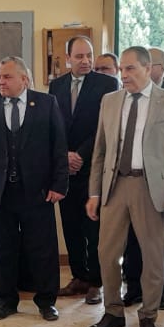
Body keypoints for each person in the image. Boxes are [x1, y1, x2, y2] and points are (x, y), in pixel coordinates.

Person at [86, 46, 164, 327]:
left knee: (153, 255)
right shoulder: (110, 101)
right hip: (115, 185)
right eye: (122, 69)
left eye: (130, 68)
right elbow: (100, 151)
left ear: (148, 68)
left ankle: (148, 316)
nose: (124, 74)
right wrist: (94, 192)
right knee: (107, 253)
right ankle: (113, 312)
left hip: (151, 188)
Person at [0, 56, 68, 322]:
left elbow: (58, 147)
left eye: (7, 77)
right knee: (2, 250)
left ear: (24, 79)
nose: (1, 82)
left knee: (42, 249)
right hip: (0, 192)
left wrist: (59, 184)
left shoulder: (46, 103)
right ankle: (6, 301)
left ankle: (46, 302)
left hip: (37, 191)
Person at [49, 36, 119, 304]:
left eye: (89, 55)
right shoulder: (56, 86)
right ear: (68, 58)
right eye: (79, 56)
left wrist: (80, 154)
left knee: (94, 227)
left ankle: (96, 281)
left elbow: (105, 126)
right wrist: (65, 155)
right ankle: (78, 276)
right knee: (71, 226)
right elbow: (53, 126)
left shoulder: (106, 84)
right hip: (65, 169)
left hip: (93, 166)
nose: (86, 61)